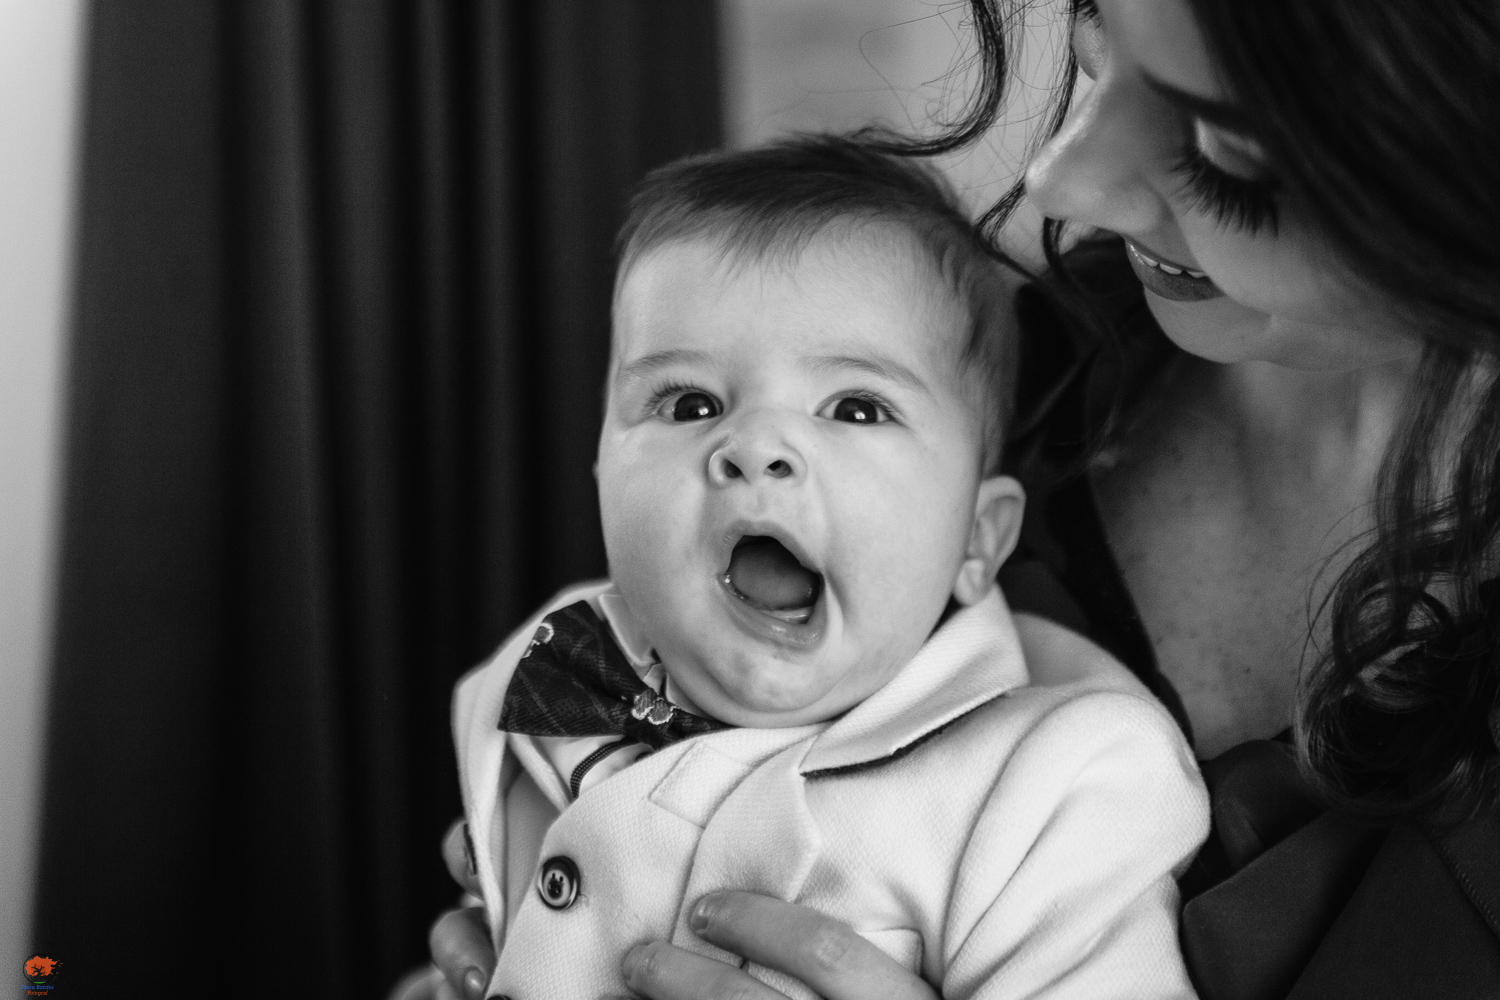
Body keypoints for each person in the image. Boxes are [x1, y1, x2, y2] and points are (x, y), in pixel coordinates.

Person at [408, 0, 1500, 997]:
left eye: (1221, 149)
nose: (1062, 185)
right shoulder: (982, 380)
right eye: (1097, 43)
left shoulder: (1065, 758)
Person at [448, 134, 1207, 1000]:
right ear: (598, 475)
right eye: (689, 403)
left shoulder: (1058, 780)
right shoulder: (552, 672)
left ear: (977, 538)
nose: (756, 446)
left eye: (855, 407)